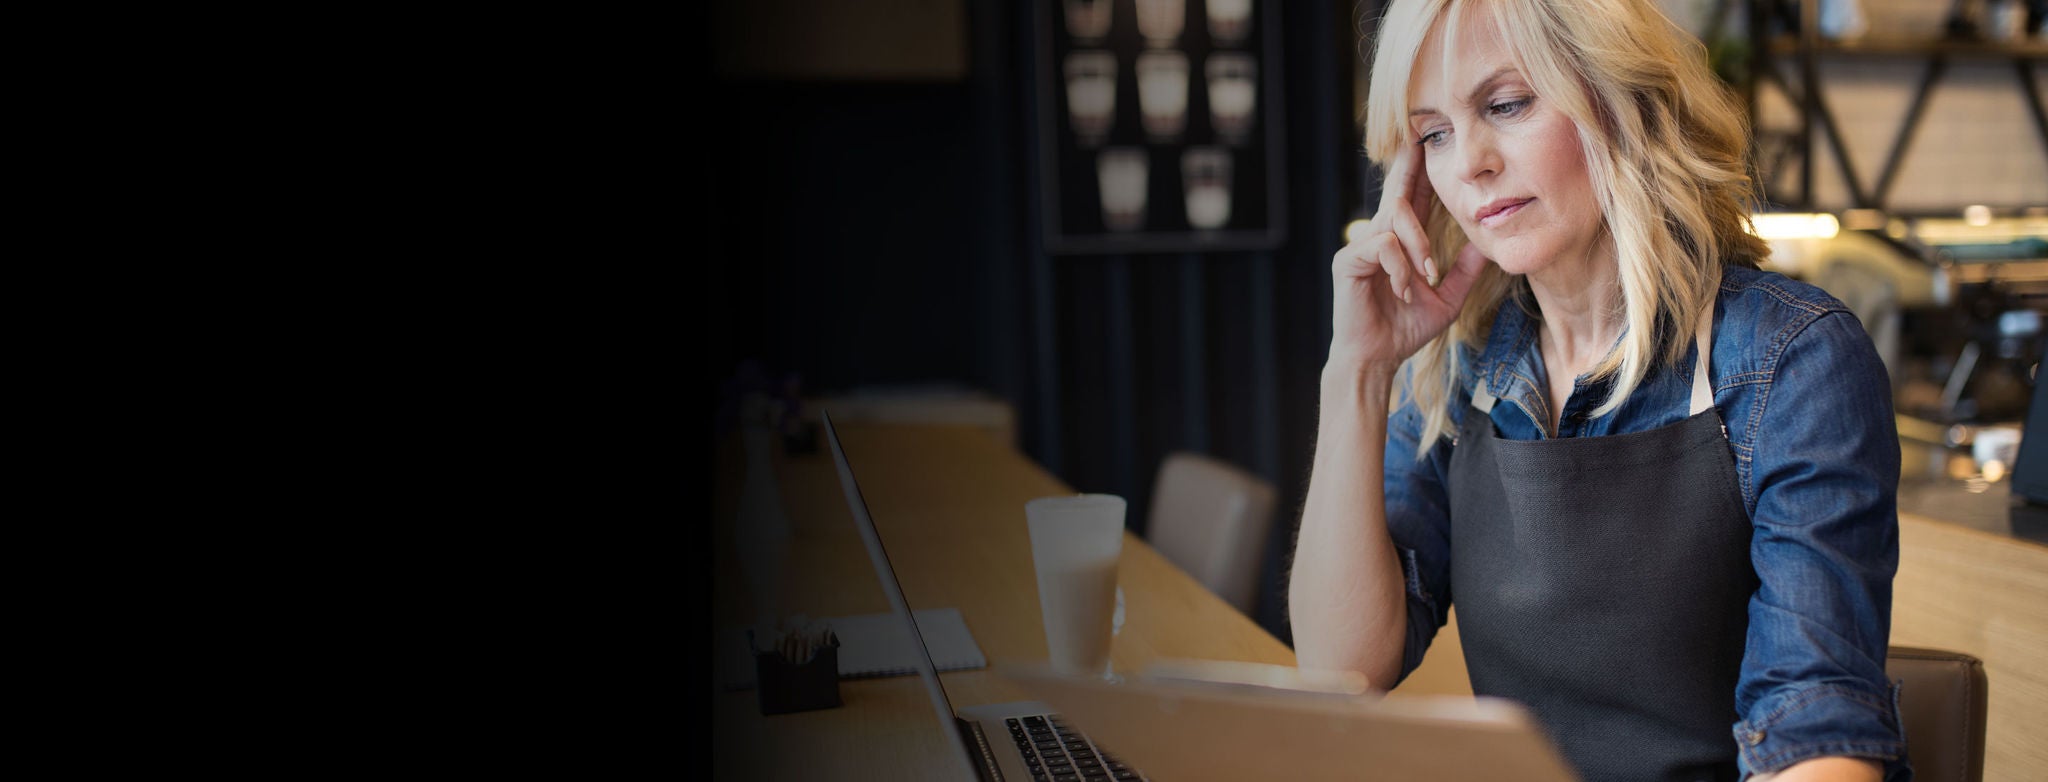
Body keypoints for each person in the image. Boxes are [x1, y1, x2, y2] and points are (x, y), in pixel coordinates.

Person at [1287, 0, 1906, 780]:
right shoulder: (1466, 361)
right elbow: (1341, 666)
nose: (1469, 162)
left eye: (1506, 105)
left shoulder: (1792, 358)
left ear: (1620, 101)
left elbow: (1818, 739)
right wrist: (1359, 370)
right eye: (1432, 134)